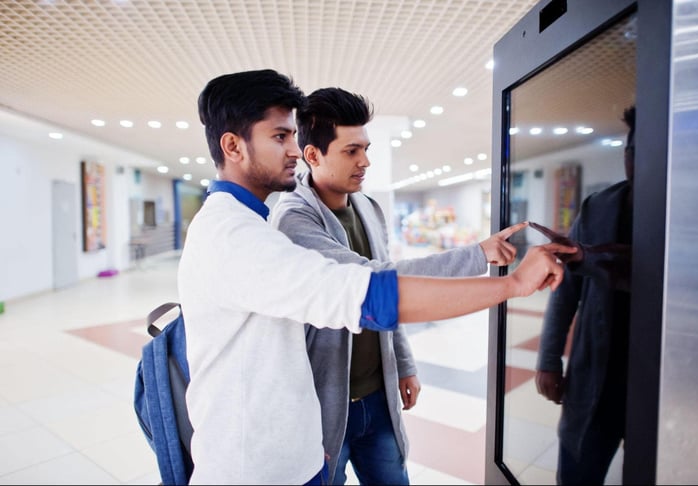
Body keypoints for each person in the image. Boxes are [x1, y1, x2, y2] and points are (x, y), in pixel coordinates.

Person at [179, 68, 574, 485]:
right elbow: (369, 290)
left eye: (293, 135)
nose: (294, 150)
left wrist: (402, 363)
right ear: (233, 146)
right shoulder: (240, 236)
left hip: (297, 448)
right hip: (261, 464)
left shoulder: (257, 224)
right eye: (281, 137)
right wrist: (511, 284)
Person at [270, 86, 527, 485]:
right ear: (313, 155)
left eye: (366, 148)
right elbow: (376, 283)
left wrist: (403, 365)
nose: (366, 161)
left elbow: (391, 303)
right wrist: (479, 257)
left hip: (378, 396)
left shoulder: (369, 208)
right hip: (324, 405)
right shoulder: (293, 221)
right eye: (351, 150)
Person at [534, 105, 636, 485]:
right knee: (577, 470)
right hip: (595, 372)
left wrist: (587, 256)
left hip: (659, 381)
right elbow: (566, 290)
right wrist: (548, 360)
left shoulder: (693, 212)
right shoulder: (599, 206)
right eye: (634, 151)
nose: (640, 162)